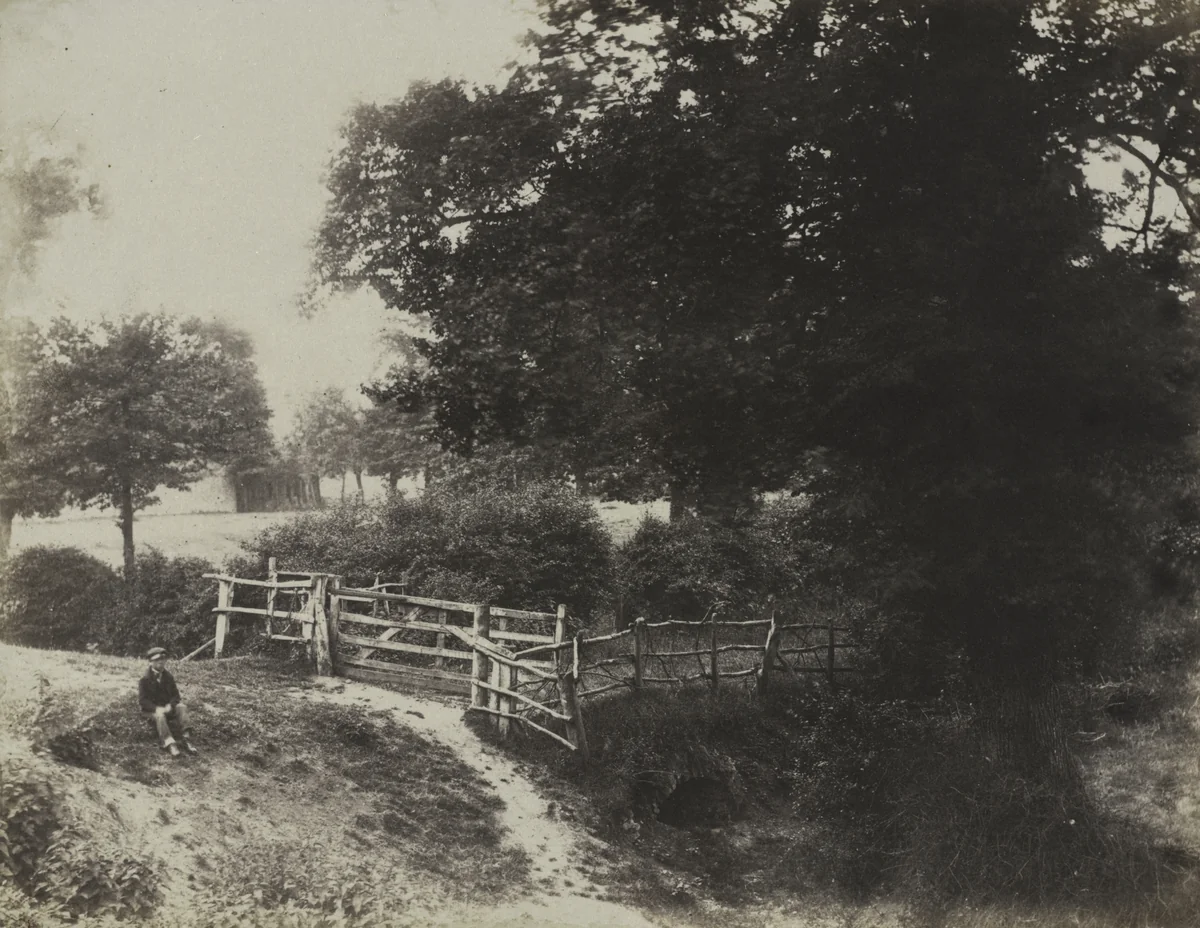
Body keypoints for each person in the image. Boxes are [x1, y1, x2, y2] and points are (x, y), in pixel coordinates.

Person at [138, 647, 197, 757]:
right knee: (159, 715)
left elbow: (176, 695)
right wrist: (156, 708)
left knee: (182, 707)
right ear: (150, 662)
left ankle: (186, 738)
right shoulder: (144, 679)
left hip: (167, 708)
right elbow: (142, 700)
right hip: (151, 711)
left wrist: (171, 705)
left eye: (163, 660)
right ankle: (170, 743)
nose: (161, 662)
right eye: (157, 660)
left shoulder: (168, 676)